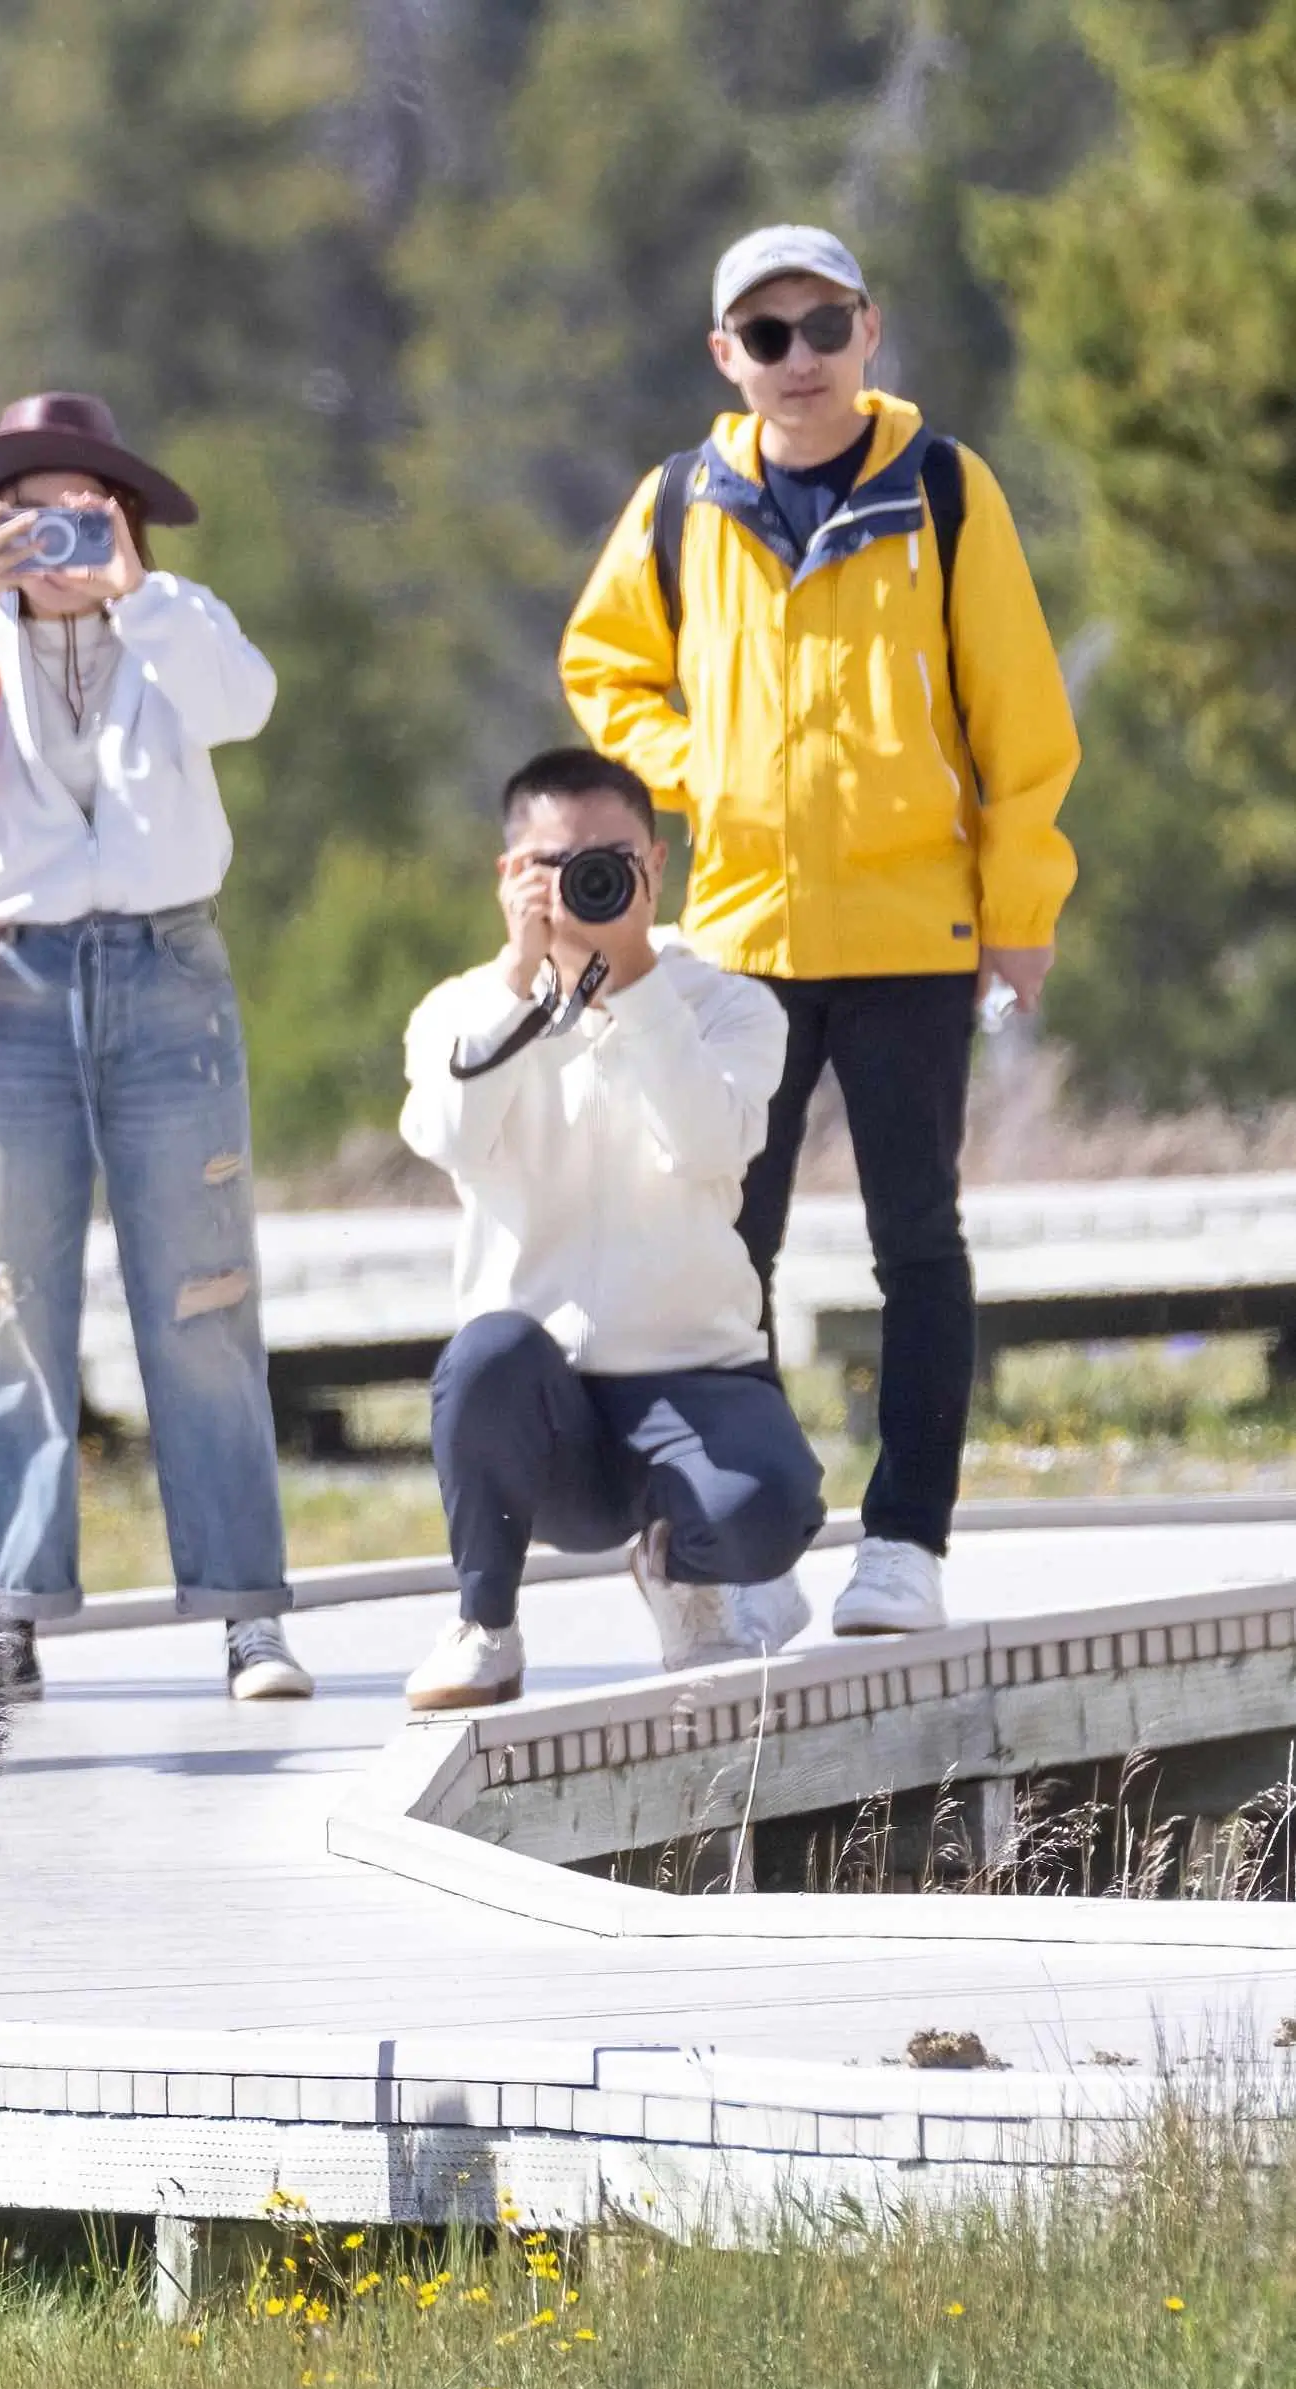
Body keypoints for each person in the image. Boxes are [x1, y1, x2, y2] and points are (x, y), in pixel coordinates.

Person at [559, 224, 1080, 1639]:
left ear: (868, 331)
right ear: (725, 357)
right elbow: (600, 664)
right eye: (766, 335)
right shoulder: (680, 498)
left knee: (915, 1240)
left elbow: (1021, 724)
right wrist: (693, 766)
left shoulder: (945, 489)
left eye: (823, 325)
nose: (799, 358)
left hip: (918, 932)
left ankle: (905, 1542)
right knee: (730, 1249)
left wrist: (1018, 911)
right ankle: (753, 1531)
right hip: (739, 937)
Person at [0, 393, 306, 1704]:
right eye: (27, 513)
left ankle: (244, 1612)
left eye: (81, 508)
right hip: (13, 979)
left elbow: (246, 706)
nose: (54, 538)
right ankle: (4, 1609)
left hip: (168, 970)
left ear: (122, 514)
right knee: (6, 1305)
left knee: (206, 1302)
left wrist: (134, 592)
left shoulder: (175, 626)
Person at [397, 749, 826, 1711]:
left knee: (769, 1510)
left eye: (612, 860)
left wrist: (633, 983)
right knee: (485, 1352)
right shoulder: (461, 1011)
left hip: (690, 1378)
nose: (587, 882)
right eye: (555, 863)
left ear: (657, 868)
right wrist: (520, 980)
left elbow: (713, 1144)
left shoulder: (730, 1006)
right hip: (540, 1406)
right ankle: (485, 1626)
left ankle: (687, 1574)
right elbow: (450, 1138)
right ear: (511, 875)